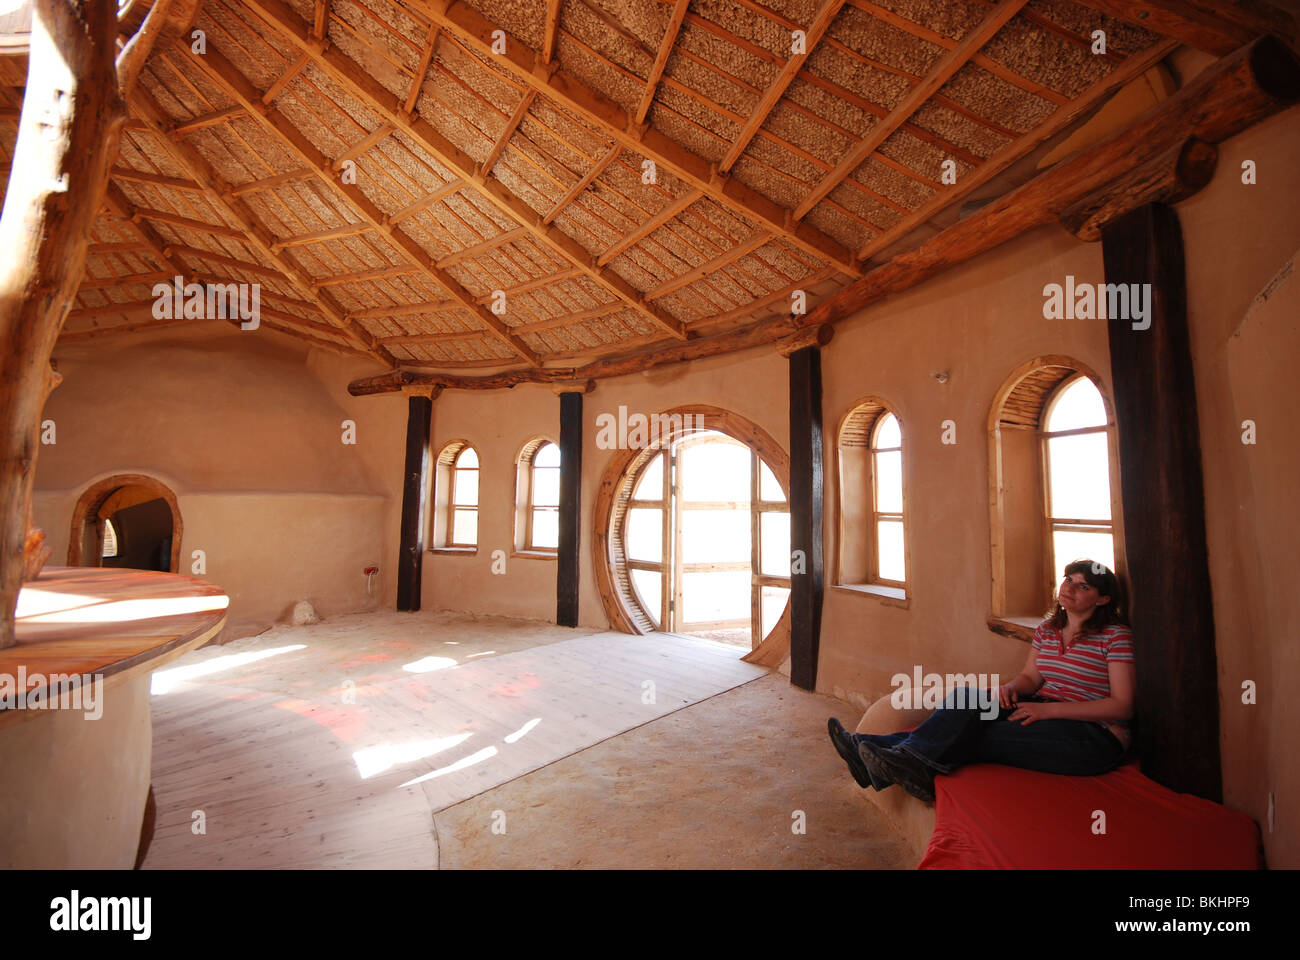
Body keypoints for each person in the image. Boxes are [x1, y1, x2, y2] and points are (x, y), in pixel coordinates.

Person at [827, 559, 1136, 802]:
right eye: (1069, 579)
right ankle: (888, 759)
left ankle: (869, 748)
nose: (1070, 588)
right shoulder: (1048, 630)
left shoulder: (1114, 636)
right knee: (965, 699)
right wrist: (1010, 689)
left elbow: (1122, 707)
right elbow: (1031, 677)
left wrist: (1049, 711)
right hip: (1041, 708)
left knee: (974, 735)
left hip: (1094, 737)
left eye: (1083, 587)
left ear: (1103, 599)